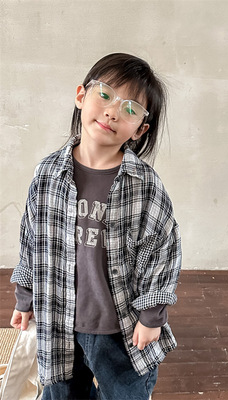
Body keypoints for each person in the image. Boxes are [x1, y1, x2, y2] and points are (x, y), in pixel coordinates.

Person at [10, 53, 182, 400]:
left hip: (120, 328)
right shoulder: (47, 174)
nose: (113, 112)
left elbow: (162, 250)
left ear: (140, 129)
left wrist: (151, 315)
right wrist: (25, 298)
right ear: (81, 96)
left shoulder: (144, 185)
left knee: (126, 393)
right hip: (58, 320)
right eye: (105, 94)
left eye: (130, 109)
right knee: (61, 393)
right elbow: (32, 241)